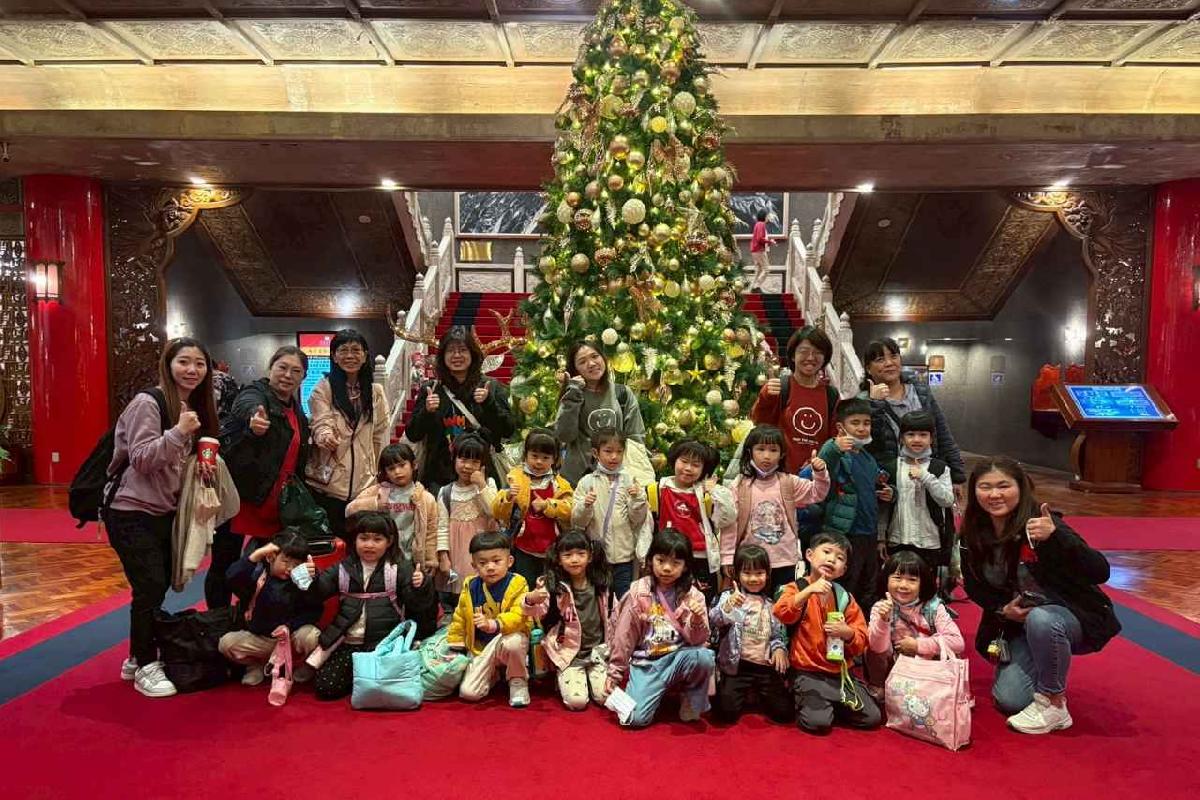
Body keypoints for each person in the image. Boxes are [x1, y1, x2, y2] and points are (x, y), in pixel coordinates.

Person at [960, 457, 1120, 735]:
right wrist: (1001, 610)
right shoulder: (973, 533)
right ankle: (1040, 663)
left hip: (1065, 617)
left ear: (1021, 488)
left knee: (1042, 620)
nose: (994, 494)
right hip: (1016, 625)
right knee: (1011, 700)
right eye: (985, 487)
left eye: (1003, 486)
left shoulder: (1042, 524)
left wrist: (1057, 538)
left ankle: (1053, 702)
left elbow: (1100, 571)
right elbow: (975, 586)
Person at [105, 337, 219, 698]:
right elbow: (141, 459)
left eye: (199, 364)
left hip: (166, 511)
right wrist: (179, 431)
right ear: (168, 365)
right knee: (150, 586)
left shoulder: (192, 406)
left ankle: (135, 657)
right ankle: (145, 663)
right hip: (130, 509)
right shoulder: (148, 403)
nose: (192, 370)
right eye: (183, 362)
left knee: (156, 585)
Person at [210, 346, 310, 610]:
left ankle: (252, 613)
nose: (287, 375)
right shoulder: (256, 394)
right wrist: (254, 419)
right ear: (270, 368)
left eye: (296, 371)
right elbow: (246, 404)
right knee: (225, 563)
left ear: (303, 377)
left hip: (276, 502)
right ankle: (218, 618)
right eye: (282, 367)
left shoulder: (296, 409)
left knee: (266, 563)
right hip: (243, 497)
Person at [306, 512, 436, 701]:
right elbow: (317, 594)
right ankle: (361, 676)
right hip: (349, 643)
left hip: (384, 645)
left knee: (385, 687)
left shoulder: (399, 568)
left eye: (377, 539)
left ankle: (364, 677)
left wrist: (421, 585)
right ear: (355, 540)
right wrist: (311, 578)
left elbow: (418, 605)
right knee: (325, 688)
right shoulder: (343, 568)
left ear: (389, 541)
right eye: (364, 538)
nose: (369, 545)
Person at [606, 529, 716, 728]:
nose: (667, 568)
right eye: (661, 560)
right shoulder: (638, 592)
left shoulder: (694, 596)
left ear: (685, 566)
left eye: (675, 563)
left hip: (679, 658)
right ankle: (653, 691)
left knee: (704, 657)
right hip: (648, 664)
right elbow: (624, 635)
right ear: (651, 560)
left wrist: (697, 619)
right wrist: (615, 672)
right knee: (635, 719)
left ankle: (690, 699)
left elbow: (698, 641)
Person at [774, 533, 881, 735]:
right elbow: (781, 612)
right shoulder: (794, 588)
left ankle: (830, 704)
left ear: (844, 570)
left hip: (839, 673)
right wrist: (808, 591)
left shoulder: (844, 597)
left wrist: (847, 633)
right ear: (809, 555)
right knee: (818, 724)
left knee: (873, 717)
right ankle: (814, 701)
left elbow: (861, 637)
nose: (832, 560)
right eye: (826, 552)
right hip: (807, 671)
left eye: (840, 558)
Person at [405, 326, 515, 494]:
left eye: (463, 350)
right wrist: (426, 411)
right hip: (440, 481)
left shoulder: (490, 387)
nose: (456, 355)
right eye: (450, 351)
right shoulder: (431, 389)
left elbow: (508, 430)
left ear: (473, 354)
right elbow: (413, 434)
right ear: (442, 356)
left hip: (482, 478)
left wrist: (489, 403)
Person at [721, 424, 830, 595]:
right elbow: (730, 524)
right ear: (750, 452)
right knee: (752, 606)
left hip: (784, 561)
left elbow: (817, 493)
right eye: (760, 449)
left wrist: (820, 472)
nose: (767, 456)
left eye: (773, 450)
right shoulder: (739, 485)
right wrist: (727, 558)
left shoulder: (788, 482)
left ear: (782, 454)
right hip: (751, 563)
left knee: (783, 604)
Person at [305, 329, 390, 542]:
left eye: (355, 350)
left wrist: (378, 471)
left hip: (364, 485)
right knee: (333, 543)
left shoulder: (375, 392)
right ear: (334, 356)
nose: (350, 356)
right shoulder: (323, 389)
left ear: (365, 355)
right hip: (329, 485)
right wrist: (325, 435)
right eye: (343, 350)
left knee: (361, 541)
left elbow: (379, 434)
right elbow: (320, 421)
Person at [218, 530, 322, 695]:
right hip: (262, 639)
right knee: (226, 643)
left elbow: (314, 610)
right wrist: (256, 555)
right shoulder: (257, 575)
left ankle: (306, 666)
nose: (290, 568)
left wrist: (313, 580)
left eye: (296, 564)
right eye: (285, 561)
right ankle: (256, 665)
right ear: (271, 557)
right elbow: (231, 578)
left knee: (312, 636)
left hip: (291, 639)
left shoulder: (302, 580)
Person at [811, 398, 893, 609]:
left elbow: (876, 483)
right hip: (845, 533)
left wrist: (889, 492)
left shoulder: (867, 457)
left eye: (866, 423)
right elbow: (822, 467)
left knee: (868, 584)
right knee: (845, 586)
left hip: (869, 533)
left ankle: (862, 624)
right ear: (841, 427)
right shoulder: (835, 451)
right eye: (855, 423)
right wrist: (834, 447)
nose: (862, 428)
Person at [860, 337, 965, 500]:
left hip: (927, 477)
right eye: (880, 359)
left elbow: (942, 432)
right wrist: (875, 404)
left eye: (894, 356)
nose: (889, 363)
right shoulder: (862, 401)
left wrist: (957, 475)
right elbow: (869, 446)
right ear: (868, 368)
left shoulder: (920, 391)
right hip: (890, 484)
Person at [522, 530, 615, 711]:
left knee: (606, 698)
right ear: (558, 559)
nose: (574, 559)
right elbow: (534, 611)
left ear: (590, 556)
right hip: (568, 654)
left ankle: (589, 678)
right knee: (576, 702)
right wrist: (531, 598)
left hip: (597, 653)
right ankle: (564, 676)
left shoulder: (601, 584)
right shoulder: (553, 586)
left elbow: (614, 616)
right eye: (568, 555)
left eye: (580, 554)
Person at [448, 531, 534, 708]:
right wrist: (456, 643)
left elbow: (520, 615)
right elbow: (459, 617)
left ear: (509, 561)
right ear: (474, 565)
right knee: (469, 693)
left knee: (515, 642)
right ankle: (493, 674)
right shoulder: (470, 586)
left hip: (506, 640)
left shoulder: (518, 583)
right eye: (483, 563)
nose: (490, 567)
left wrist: (494, 624)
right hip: (482, 647)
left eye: (496, 561)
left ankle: (517, 680)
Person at [710, 544, 792, 725]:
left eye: (759, 573)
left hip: (764, 667)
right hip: (737, 666)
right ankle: (744, 692)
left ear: (767, 574)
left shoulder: (771, 604)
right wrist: (729, 605)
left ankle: (755, 693)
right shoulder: (729, 596)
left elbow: (777, 635)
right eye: (747, 573)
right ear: (737, 574)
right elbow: (714, 620)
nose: (753, 579)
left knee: (784, 713)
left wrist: (779, 649)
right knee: (724, 714)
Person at [865, 551, 964, 698]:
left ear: (922, 583)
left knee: (947, 647)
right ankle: (880, 687)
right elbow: (877, 649)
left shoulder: (933, 607)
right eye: (897, 578)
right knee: (870, 646)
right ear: (886, 580)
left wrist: (918, 645)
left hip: (928, 670)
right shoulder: (880, 607)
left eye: (912, 580)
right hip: (894, 669)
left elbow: (958, 643)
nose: (904, 585)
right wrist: (883, 621)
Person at [651, 439, 735, 605]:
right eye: (684, 461)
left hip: (700, 558)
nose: (688, 468)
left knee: (701, 604)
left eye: (696, 465)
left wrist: (714, 492)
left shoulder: (707, 493)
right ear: (674, 460)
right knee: (666, 603)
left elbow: (728, 518)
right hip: (668, 557)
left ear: (704, 469)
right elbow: (646, 526)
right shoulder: (658, 489)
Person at [570, 427, 651, 599]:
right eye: (608, 451)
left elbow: (637, 520)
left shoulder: (630, 480)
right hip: (597, 556)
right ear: (596, 453)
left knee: (623, 599)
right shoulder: (587, 482)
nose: (614, 456)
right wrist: (585, 505)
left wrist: (638, 499)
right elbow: (577, 521)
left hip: (624, 556)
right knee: (599, 598)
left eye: (619, 452)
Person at [875, 411, 956, 583]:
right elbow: (884, 508)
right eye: (910, 434)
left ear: (931, 438)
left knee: (925, 586)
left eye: (923, 435)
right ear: (901, 438)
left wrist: (926, 477)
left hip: (930, 542)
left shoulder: (940, 468)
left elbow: (947, 500)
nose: (917, 439)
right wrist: (881, 538)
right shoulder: (892, 467)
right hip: (897, 540)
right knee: (898, 583)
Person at [554, 341, 646, 486]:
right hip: (578, 479)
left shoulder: (622, 393)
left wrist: (633, 473)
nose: (591, 364)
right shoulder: (572, 395)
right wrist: (573, 394)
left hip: (616, 479)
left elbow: (636, 436)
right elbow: (564, 435)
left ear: (603, 358)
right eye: (582, 362)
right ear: (575, 369)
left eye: (595, 356)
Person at [751, 326, 841, 473]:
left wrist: (818, 463)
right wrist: (765, 397)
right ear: (793, 355)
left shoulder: (831, 395)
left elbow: (835, 439)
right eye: (804, 351)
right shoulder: (780, 387)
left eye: (818, 352)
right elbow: (760, 424)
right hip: (779, 476)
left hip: (816, 478)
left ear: (825, 357)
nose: (810, 357)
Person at [492, 428, 574, 586]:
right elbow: (497, 512)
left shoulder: (559, 484)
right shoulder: (514, 479)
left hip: (552, 550)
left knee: (551, 588)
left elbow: (570, 509)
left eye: (545, 457)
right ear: (526, 455)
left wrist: (548, 505)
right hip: (523, 548)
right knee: (524, 587)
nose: (539, 462)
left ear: (554, 459)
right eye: (534, 456)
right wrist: (507, 497)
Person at [347, 443, 438, 572]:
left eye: (402, 465)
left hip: (410, 560)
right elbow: (349, 511)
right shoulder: (378, 491)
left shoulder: (425, 498)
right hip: (380, 559)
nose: (397, 472)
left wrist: (430, 560)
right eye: (391, 468)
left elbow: (431, 532)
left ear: (414, 465)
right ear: (385, 472)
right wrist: (376, 503)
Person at [435, 433, 500, 607]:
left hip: (484, 548)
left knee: (486, 591)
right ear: (454, 459)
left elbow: (494, 511)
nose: (468, 466)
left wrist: (481, 485)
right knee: (463, 596)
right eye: (463, 460)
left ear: (482, 464)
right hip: (457, 552)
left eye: (475, 462)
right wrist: (443, 556)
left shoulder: (489, 484)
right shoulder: (446, 492)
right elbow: (441, 526)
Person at [747, 209, 776, 293]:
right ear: (764, 216)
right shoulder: (761, 224)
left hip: (755, 250)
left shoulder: (757, 224)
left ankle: (752, 288)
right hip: (759, 250)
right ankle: (756, 286)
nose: (768, 217)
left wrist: (769, 242)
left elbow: (758, 238)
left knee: (759, 270)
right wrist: (770, 241)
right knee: (766, 269)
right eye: (767, 216)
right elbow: (760, 238)